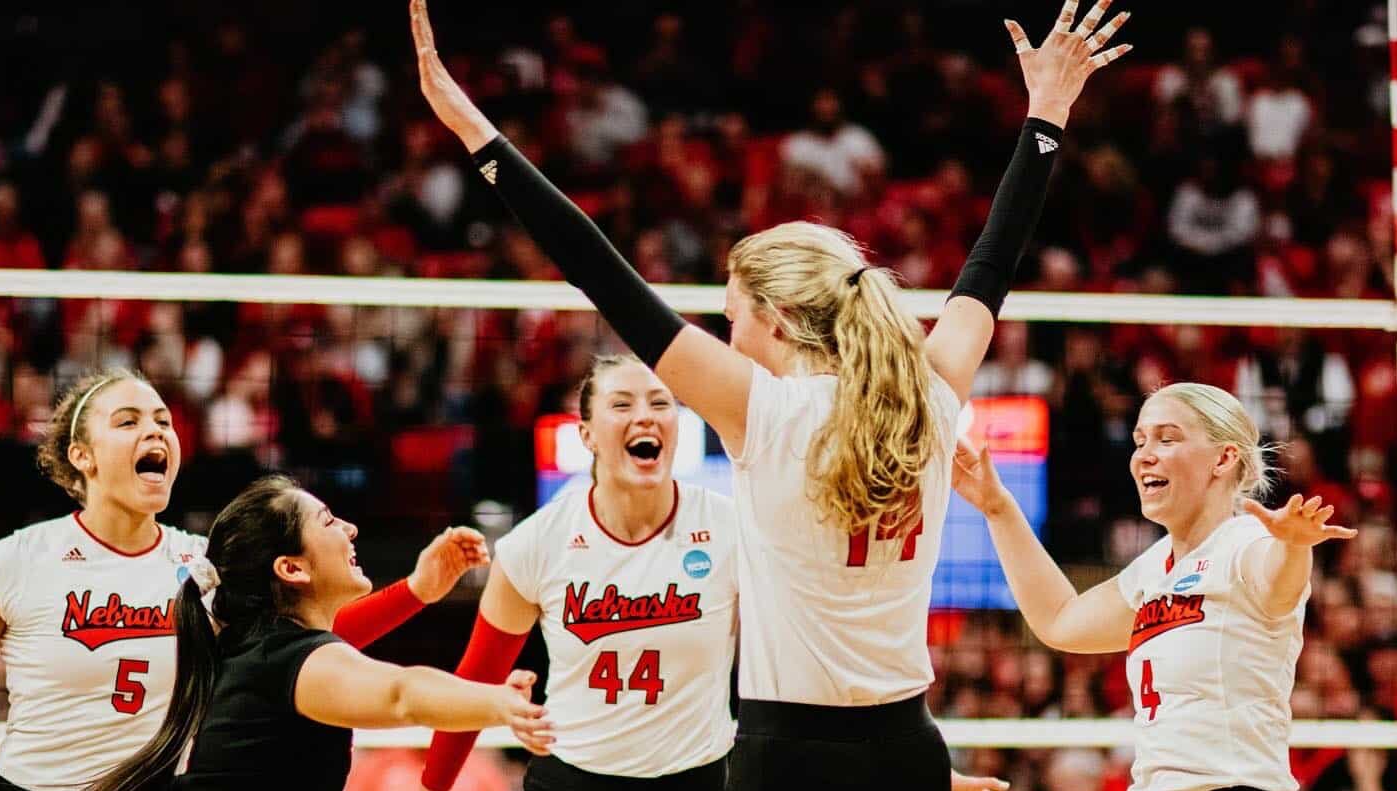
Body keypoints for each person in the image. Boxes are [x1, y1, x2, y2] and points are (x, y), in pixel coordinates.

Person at [409, 0, 1130, 787]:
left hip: (787, 750)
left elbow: (597, 269)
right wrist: (1046, 116)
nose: (726, 335)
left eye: (732, 316)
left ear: (777, 319)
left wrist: (474, 133)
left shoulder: (762, 411)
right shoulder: (931, 390)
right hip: (907, 745)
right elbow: (990, 267)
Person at [0, 369, 482, 791]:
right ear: (82, 455)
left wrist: (415, 591)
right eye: (127, 421)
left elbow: (300, 651)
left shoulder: (204, 562)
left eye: (163, 420)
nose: (155, 431)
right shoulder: (14, 561)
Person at [950, 382, 1358, 791]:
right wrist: (997, 508)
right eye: (1140, 440)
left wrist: (1294, 546)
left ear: (1223, 458)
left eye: (1167, 439)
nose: (1144, 455)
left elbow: (1279, 584)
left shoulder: (1246, 542)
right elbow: (1059, 621)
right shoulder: (1154, 568)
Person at [87, 476, 552, 791]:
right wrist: (498, 704)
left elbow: (329, 643)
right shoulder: (284, 658)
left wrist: (417, 590)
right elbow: (401, 695)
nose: (350, 528)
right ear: (292, 568)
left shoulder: (255, 647)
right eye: (329, 521)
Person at [422, 355, 738, 790]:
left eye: (660, 403)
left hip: (696, 777)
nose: (645, 416)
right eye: (622, 404)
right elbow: (476, 678)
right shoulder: (538, 542)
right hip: (572, 777)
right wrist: (433, 785)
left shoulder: (729, 527)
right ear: (586, 434)